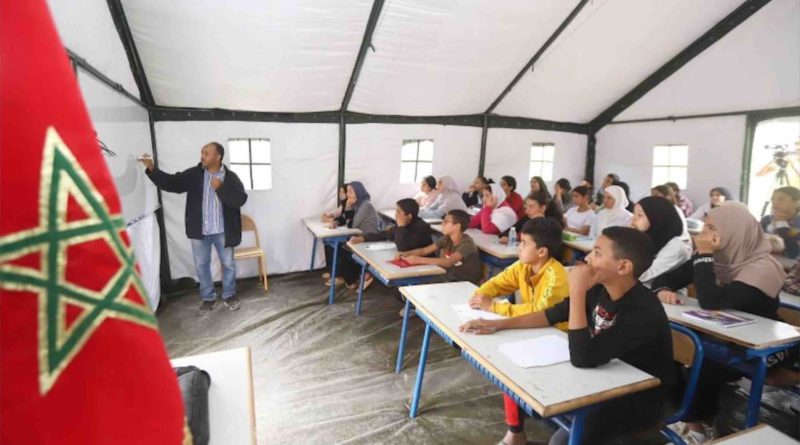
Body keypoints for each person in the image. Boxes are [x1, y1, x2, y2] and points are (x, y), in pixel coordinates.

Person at [460, 227, 673, 445]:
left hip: (636, 400)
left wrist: (577, 292)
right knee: (518, 377)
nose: (588, 258)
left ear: (623, 266)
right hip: (600, 380)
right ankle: (515, 435)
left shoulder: (642, 311)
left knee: (561, 440)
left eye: (598, 253)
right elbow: (550, 315)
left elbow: (583, 357)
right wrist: (501, 324)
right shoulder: (599, 289)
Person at [662, 203, 786, 444]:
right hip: (725, 337)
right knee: (674, 350)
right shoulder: (718, 259)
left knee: (702, 361)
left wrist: (705, 254)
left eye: (711, 228)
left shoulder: (763, 268)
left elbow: (711, 302)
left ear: (734, 231)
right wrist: (664, 290)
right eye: (705, 227)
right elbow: (666, 278)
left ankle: (699, 425)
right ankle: (693, 421)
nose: (704, 235)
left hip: (768, 347)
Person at [141, 142, 248, 312]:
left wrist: (220, 188)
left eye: (206, 153)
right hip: (200, 231)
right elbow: (172, 183)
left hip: (222, 231)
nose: (202, 156)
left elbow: (240, 200)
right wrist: (152, 169)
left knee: (228, 264)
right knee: (201, 265)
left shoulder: (231, 177)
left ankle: (229, 295)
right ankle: (208, 298)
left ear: (218, 157)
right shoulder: (194, 174)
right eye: (202, 153)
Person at [469, 218, 568, 317]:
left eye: (524, 243)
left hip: (555, 330)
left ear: (541, 252)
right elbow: (497, 284)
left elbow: (540, 312)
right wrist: (480, 295)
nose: (519, 247)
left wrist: (493, 307)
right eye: (520, 241)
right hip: (531, 326)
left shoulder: (555, 276)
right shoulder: (523, 266)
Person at [398, 209, 482, 285]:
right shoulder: (447, 239)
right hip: (449, 277)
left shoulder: (467, 243)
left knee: (422, 286)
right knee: (417, 283)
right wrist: (405, 254)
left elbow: (448, 262)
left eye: (446, 222)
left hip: (463, 282)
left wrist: (418, 260)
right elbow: (424, 250)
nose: (442, 224)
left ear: (457, 226)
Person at [327, 181, 381, 289]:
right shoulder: (357, 204)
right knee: (335, 246)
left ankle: (361, 276)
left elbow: (352, 224)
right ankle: (348, 277)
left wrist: (347, 205)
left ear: (358, 192)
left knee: (345, 251)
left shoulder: (366, 205)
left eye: (351, 191)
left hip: (370, 238)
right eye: (348, 191)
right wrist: (336, 222)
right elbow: (344, 218)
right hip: (359, 236)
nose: (348, 194)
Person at [632, 197, 692, 290]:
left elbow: (643, 276)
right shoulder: (645, 237)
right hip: (639, 290)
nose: (633, 220)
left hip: (666, 298)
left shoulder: (676, 247)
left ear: (656, 217)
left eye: (639, 215)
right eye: (634, 214)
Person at [351, 198, 432, 252]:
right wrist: (363, 238)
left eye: (398, 212)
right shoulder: (406, 223)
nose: (395, 215)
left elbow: (402, 248)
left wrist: (401, 226)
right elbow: (385, 234)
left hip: (426, 267)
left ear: (409, 216)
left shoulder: (422, 228)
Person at [499, 190, 563, 244]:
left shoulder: (553, 224)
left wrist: (536, 221)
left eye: (531, 206)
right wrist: (506, 236)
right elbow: (511, 230)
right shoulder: (528, 217)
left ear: (543, 208)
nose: (526, 211)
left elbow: (536, 243)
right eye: (526, 207)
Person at [321, 184, 352, 281]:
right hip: (345, 231)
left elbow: (349, 221)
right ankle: (331, 271)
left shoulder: (351, 205)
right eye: (340, 192)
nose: (340, 194)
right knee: (327, 242)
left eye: (342, 192)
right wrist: (333, 221)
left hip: (351, 234)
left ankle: (338, 275)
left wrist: (332, 220)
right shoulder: (343, 204)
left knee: (336, 245)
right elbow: (335, 215)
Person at [761, 186, 800, 259]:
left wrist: (781, 223)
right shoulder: (766, 220)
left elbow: (793, 251)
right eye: (773, 199)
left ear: (797, 203)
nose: (774, 204)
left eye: (781, 200)